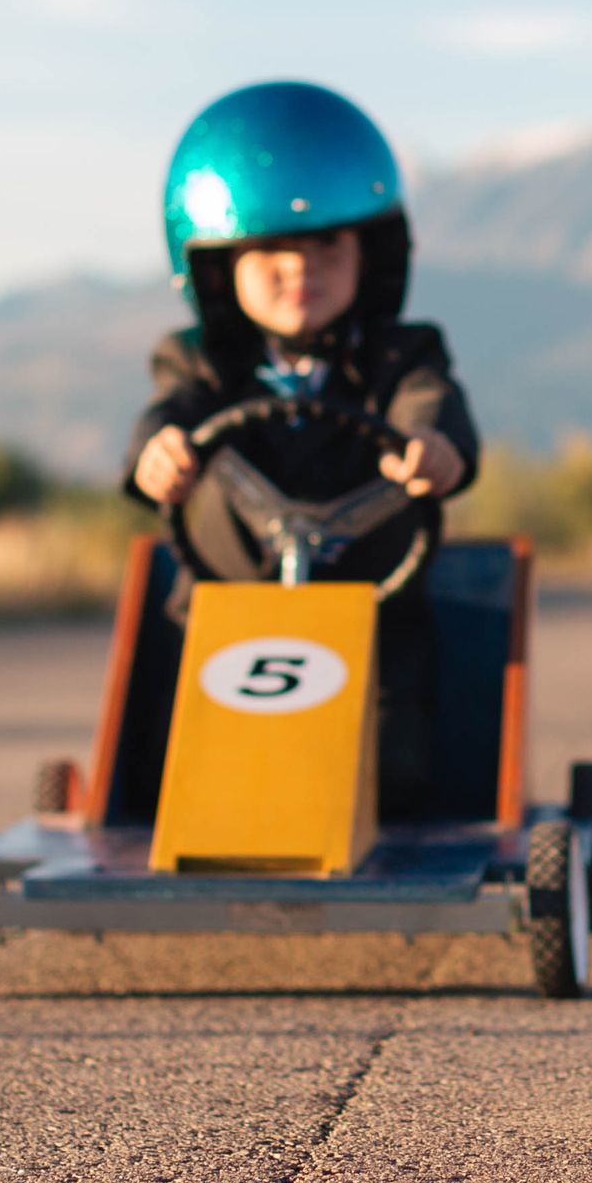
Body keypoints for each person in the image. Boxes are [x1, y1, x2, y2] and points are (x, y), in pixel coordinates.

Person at [124, 80, 479, 799]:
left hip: (369, 602)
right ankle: (178, 794)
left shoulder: (402, 355)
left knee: (402, 718)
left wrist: (430, 445)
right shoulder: (196, 360)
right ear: (221, 268)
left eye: (326, 244)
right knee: (179, 707)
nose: (301, 270)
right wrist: (157, 453)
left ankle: (393, 809)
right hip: (226, 603)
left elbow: (430, 404)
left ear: (372, 253)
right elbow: (169, 413)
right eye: (270, 252)